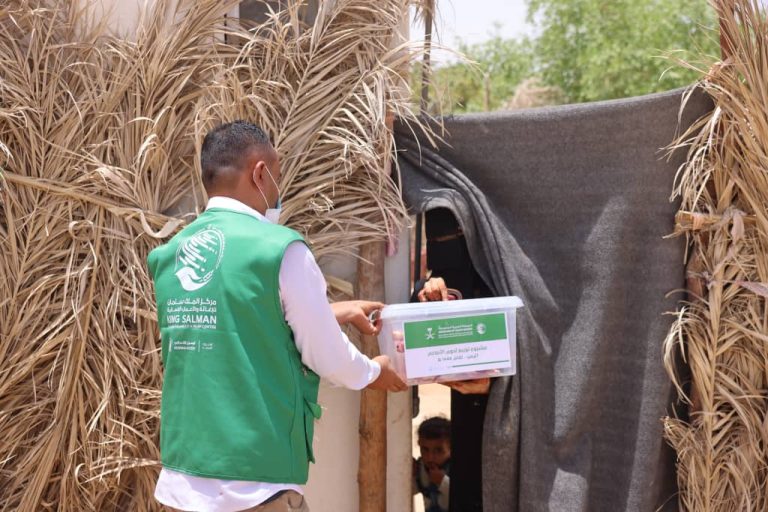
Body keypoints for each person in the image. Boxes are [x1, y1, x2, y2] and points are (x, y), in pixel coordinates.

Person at [147, 120, 407, 512]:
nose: (277, 189)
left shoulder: (171, 254)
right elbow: (327, 356)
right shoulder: (279, 250)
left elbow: (236, 323)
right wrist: (373, 371)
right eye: (277, 176)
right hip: (254, 484)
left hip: (184, 484)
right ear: (260, 173)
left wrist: (335, 312)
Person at [413, 417, 452, 512]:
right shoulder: (421, 468)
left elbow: (464, 498)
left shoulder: (458, 467)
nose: (430, 457)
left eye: (438, 451)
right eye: (425, 450)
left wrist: (443, 481)